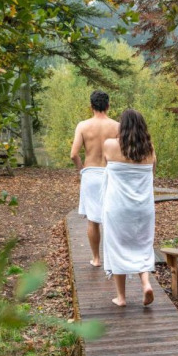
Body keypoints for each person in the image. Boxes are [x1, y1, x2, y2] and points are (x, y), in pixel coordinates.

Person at [102, 109, 156, 307]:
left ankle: (121, 298)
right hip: (143, 208)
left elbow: (104, 168)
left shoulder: (109, 145)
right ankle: (145, 282)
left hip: (117, 207)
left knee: (117, 246)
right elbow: (152, 176)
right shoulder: (149, 149)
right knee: (142, 245)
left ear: (121, 126)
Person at [70, 90, 119, 267]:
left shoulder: (83, 126)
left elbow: (74, 154)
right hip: (111, 173)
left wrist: (81, 170)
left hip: (90, 173)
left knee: (93, 219)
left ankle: (96, 259)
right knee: (112, 217)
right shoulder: (117, 126)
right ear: (108, 106)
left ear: (91, 106)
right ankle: (113, 259)